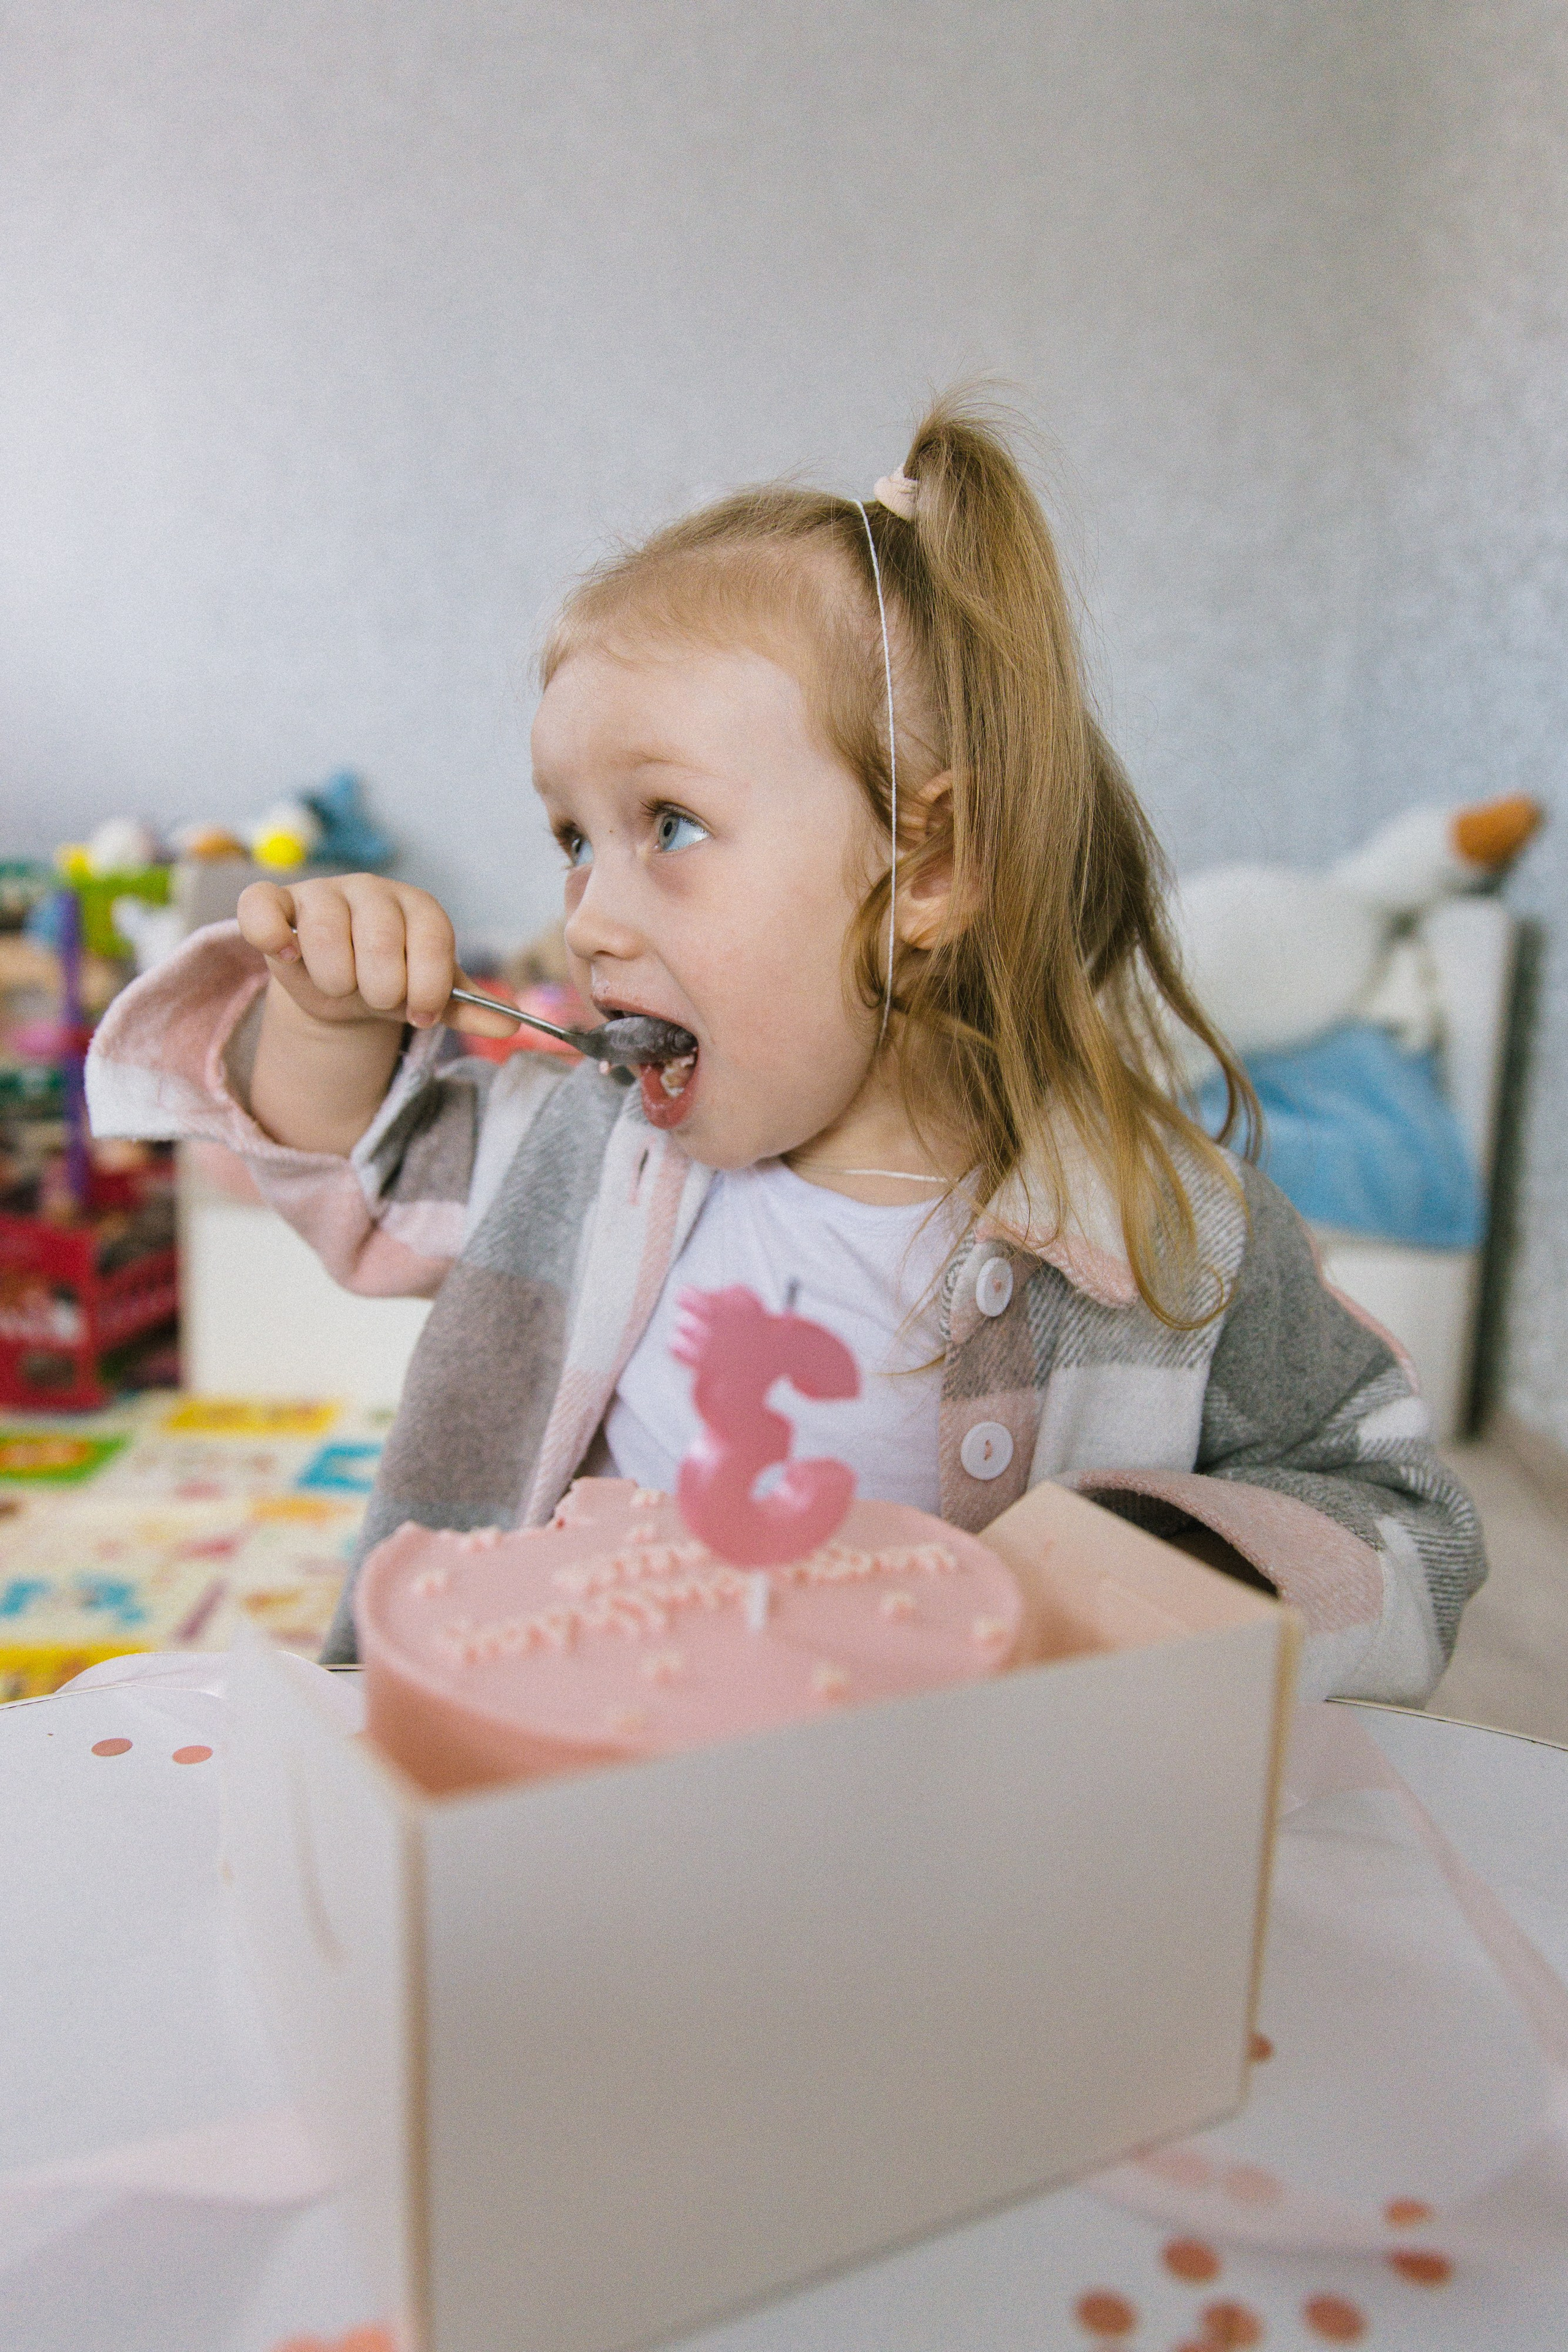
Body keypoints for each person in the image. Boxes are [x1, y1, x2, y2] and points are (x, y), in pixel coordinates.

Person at [87, 394, 1483, 1698]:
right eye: (573, 838)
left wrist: (1123, 1592)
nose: (587, 915)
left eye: (668, 827)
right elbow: (359, 1158)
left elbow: (1401, 1523)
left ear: (927, 867)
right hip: (573, 1775)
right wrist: (325, 1015)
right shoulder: (578, 1146)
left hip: (946, 1859)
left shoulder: (1173, 1236)